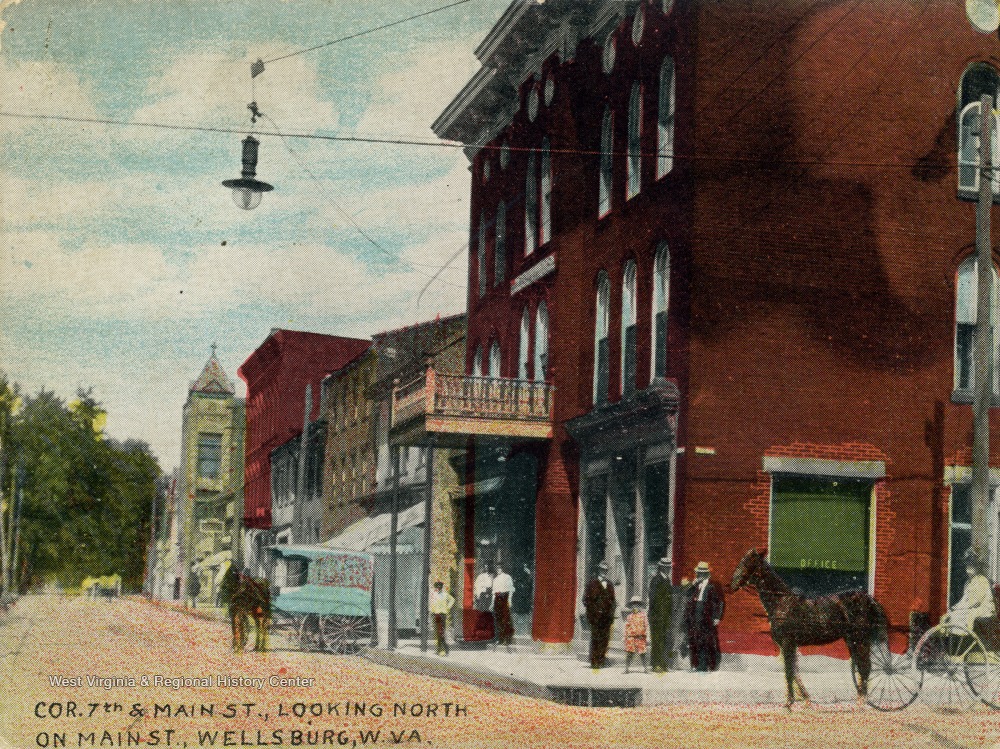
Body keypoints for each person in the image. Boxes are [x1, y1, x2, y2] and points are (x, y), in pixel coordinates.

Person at [685, 561, 724, 672]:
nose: (699, 575)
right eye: (698, 573)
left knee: (706, 641)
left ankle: (706, 666)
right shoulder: (696, 585)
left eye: (701, 574)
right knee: (696, 640)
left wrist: (717, 617)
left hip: (708, 617)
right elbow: (687, 594)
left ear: (706, 574)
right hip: (696, 616)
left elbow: (720, 602)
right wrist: (693, 584)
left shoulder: (713, 584)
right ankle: (697, 665)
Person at [944, 552, 996, 633]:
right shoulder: (968, 582)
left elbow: (976, 601)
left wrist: (961, 608)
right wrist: (956, 607)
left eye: (971, 567)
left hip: (984, 608)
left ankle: (965, 636)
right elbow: (965, 598)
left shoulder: (982, 580)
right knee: (951, 614)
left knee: (961, 615)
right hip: (972, 607)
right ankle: (953, 636)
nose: (968, 570)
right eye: (967, 566)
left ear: (977, 567)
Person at [583, 561, 616, 669]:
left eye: (606, 570)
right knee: (596, 638)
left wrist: (611, 613)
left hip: (607, 618)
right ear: (599, 570)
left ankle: (601, 661)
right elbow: (585, 600)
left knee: (604, 639)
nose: (604, 572)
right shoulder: (591, 583)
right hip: (595, 618)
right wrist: (593, 612)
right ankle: (594, 661)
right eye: (602, 570)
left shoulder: (610, 584)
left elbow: (613, 601)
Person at [648, 558, 673, 672]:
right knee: (657, 640)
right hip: (657, 616)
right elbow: (653, 599)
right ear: (662, 567)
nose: (669, 569)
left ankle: (663, 664)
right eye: (667, 567)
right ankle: (656, 664)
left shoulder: (667, 580)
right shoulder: (656, 579)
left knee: (664, 639)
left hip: (665, 616)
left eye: (669, 567)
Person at [492, 563, 515, 651]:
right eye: (497, 568)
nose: (498, 570)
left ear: (502, 569)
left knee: (505, 619)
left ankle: (507, 639)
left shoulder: (507, 577)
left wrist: (509, 600)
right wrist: (492, 603)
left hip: (505, 597)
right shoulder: (495, 579)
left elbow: (510, 589)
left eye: (500, 568)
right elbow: (494, 592)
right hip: (497, 598)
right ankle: (499, 639)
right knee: (498, 619)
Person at [429, 581, 455, 656]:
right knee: (438, 632)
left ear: (441, 588)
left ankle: (442, 649)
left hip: (443, 614)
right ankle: (442, 649)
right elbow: (432, 604)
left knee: (441, 632)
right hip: (436, 614)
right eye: (437, 587)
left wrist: (448, 607)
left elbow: (452, 600)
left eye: (440, 587)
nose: (438, 589)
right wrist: (432, 612)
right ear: (435, 588)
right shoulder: (433, 595)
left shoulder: (445, 594)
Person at [624, 596, 649, 674]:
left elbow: (647, 626)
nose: (635, 606)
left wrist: (648, 637)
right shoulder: (629, 616)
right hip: (631, 637)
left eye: (637, 605)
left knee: (643, 654)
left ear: (640, 606)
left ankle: (646, 669)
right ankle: (627, 669)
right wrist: (625, 637)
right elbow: (626, 627)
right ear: (631, 606)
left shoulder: (643, 615)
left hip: (641, 637)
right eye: (633, 605)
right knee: (629, 654)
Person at [472, 565, 495, 642]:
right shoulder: (481, 576)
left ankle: (488, 633)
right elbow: (476, 586)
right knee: (481, 612)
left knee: (488, 613)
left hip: (489, 595)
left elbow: (493, 587)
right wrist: (477, 596)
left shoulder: (492, 576)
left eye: (488, 567)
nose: (486, 568)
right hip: (482, 596)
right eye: (485, 567)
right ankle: (478, 631)